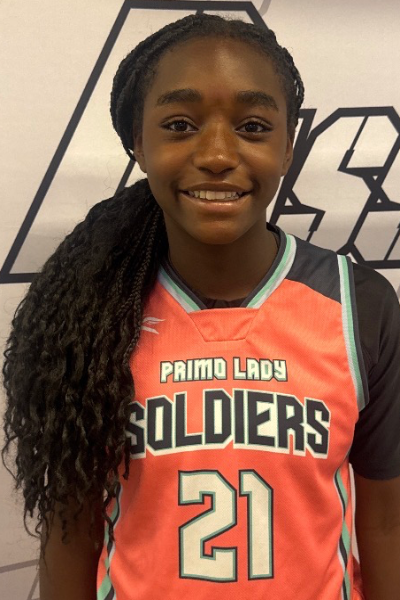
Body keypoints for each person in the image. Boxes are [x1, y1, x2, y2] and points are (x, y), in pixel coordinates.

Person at [2, 12, 400, 600]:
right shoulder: (90, 314)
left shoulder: (358, 305)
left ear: (289, 146)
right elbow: (70, 533)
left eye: (253, 126)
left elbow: (386, 523)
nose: (217, 154)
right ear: (139, 143)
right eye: (180, 125)